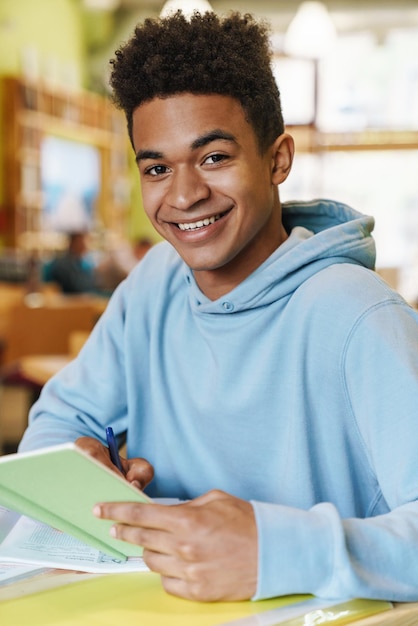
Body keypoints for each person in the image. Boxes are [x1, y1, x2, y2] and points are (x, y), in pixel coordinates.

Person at [19, 11, 418, 604]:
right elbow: (54, 428)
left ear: (278, 159)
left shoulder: (359, 316)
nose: (183, 195)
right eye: (157, 168)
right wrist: (83, 470)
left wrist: (273, 553)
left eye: (214, 158)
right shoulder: (154, 282)